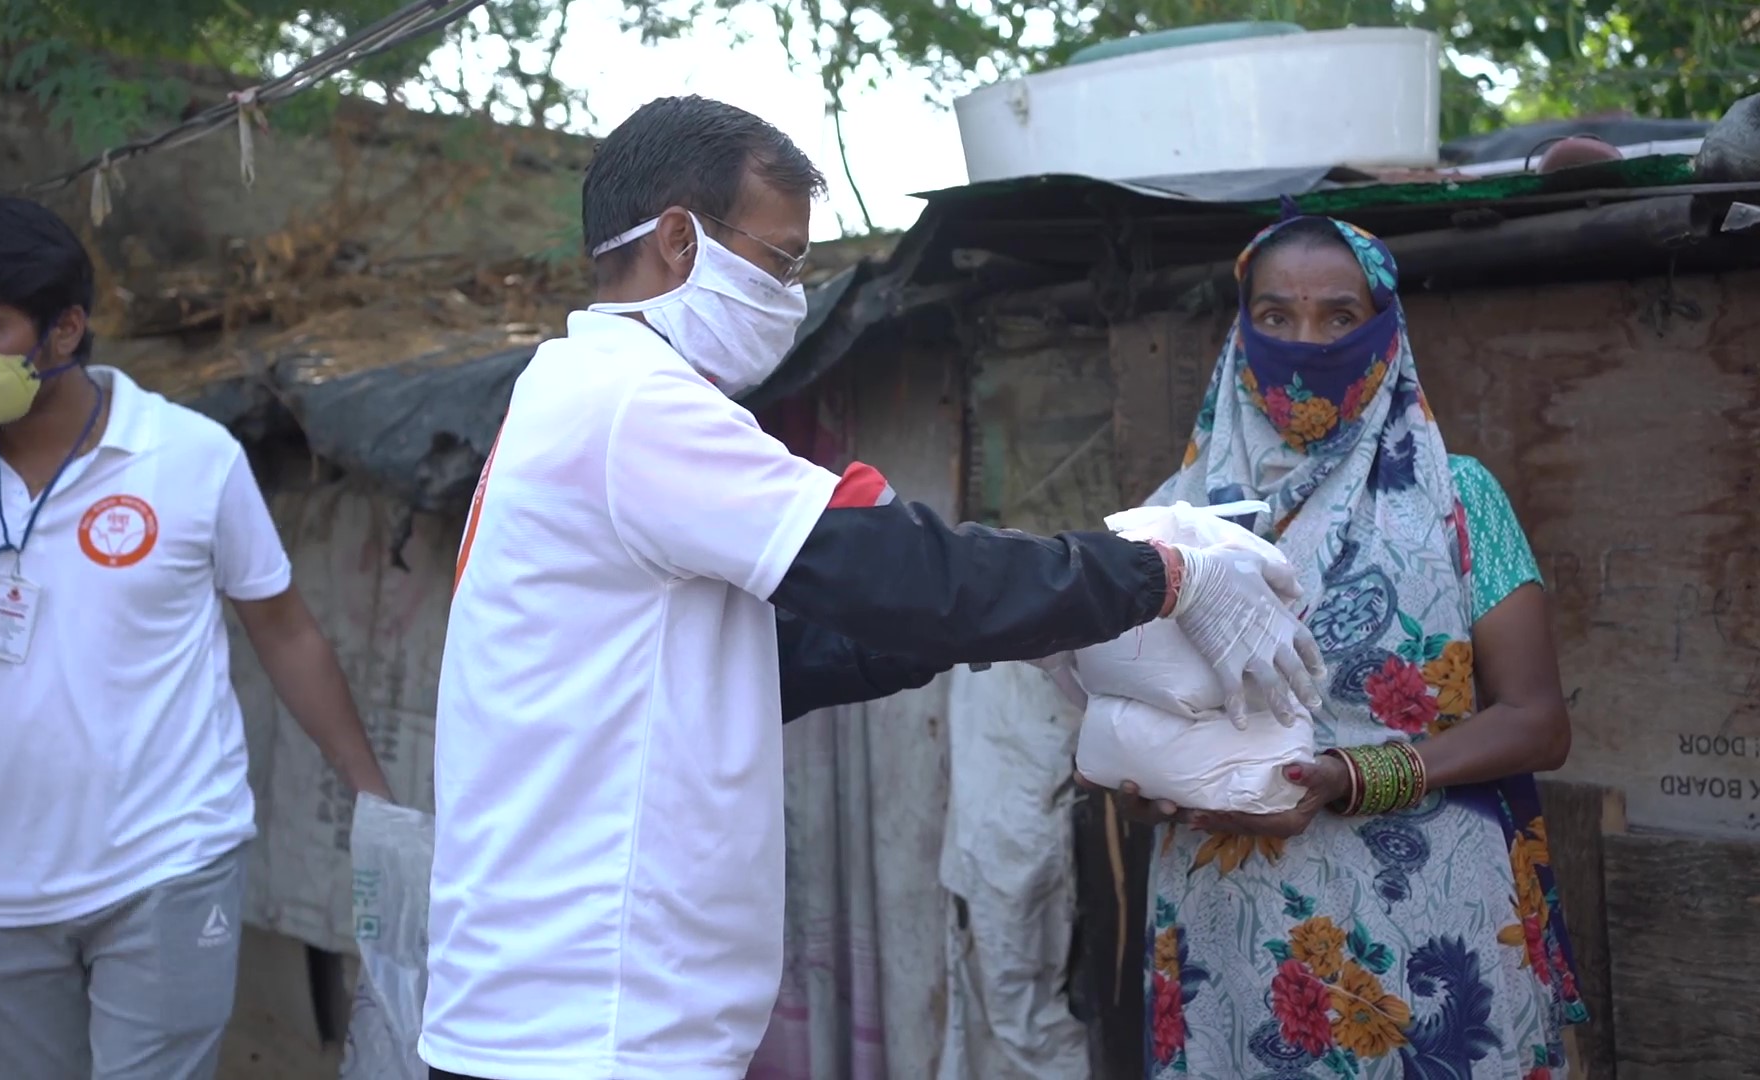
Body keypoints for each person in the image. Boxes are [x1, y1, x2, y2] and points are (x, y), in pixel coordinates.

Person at [419, 94, 1326, 1080]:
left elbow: (779, 654)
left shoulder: (579, 397)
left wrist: (1037, 626)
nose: (792, 297)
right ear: (680, 241)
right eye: (778, 262)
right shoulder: (633, 406)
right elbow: (900, 571)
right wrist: (1165, 576)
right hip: (586, 1031)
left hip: (568, 1013)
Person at [0, 195, 393, 1080]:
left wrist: (373, 796)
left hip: (169, 864)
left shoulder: (192, 457)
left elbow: (284, 631)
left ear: (65, 330)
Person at [1099, 214, 1586, 1078]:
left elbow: (1537, 722)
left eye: (1337, 315)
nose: (1306, 340)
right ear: (1243, 329)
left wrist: (1351, 777)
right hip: (1227, 930)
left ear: (1383, 331)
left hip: (1426, 928)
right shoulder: (1171, 515)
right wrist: (1150, 786)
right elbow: (1139, 705)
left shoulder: (1455, 500)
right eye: (1278, 315)